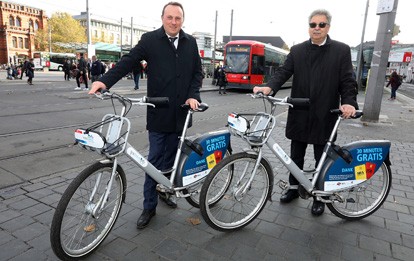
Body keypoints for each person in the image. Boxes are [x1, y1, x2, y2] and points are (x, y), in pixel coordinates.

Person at [89, 2, 202, 229]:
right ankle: (148, 206)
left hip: (182, 112)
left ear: (183, 20)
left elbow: (196, 74)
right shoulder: (150, 40)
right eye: (169, 17)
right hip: (158, 111)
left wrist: (193, 95)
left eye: (177, 18)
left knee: (171, 158)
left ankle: (165, 190)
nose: (173, 21)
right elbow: (128, 61)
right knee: (154, 160)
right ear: (162, 18)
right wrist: (104, 81)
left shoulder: (191, 43)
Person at [253, 9, 358, 216]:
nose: (316, 28)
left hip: (325, 112)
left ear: (328, 27)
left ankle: (319, 196)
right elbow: (284, 72)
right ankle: (293, 188)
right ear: (308, 27)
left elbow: (347, 80)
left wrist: (348, 102)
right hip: (299, 110)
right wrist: (269, 87)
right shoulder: (298, 50)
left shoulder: (341, 50)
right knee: (295, 155)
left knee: (322, 158)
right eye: (313, 25)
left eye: (321, 25)